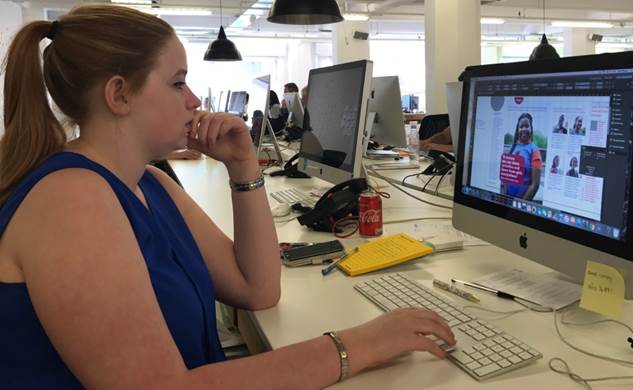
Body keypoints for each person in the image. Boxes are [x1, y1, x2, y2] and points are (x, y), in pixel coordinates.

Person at [0, 5, 455, 389]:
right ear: (119, 94)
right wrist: (361, 344)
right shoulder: (71, 202)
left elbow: (257, 290)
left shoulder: (148, 184)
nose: (194, 99)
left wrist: (243, 168)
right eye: (178, 82)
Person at [502, 113, 543, 200]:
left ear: (531, 128)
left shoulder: (534, 150)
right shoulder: (513, 148)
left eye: (527, 126)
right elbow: (506, 178)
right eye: (521, 127)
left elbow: (535, 185)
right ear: (518, 129)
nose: (524, 129)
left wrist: (519, 204)